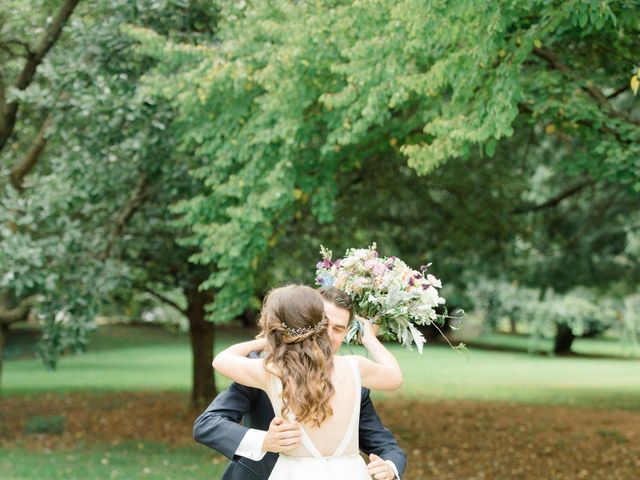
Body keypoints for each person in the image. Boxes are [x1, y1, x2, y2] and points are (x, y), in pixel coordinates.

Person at [194, 285, 406, 480]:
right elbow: (394, 377)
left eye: (339, 329)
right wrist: (370, 338)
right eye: (325, 324)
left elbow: (221, 360)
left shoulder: (270, 371)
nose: (330, 335)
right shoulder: (355, 368)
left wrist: (274, 338)